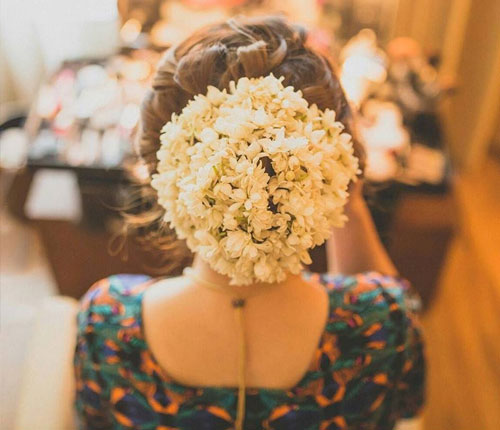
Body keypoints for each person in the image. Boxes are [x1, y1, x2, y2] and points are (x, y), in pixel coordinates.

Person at [74, 16, 424, 430]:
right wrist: (346, 193)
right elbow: (407, 403)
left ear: (160, 170)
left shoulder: (108, 322)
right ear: (337, 166)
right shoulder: (382, 323)